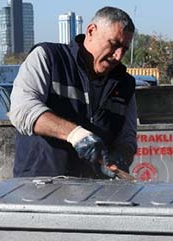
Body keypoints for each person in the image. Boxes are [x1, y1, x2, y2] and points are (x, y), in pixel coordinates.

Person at [8, 6, 137, 179]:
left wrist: (119, 159)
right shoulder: (49, 58)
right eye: (113, 44)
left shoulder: (125, 84)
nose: (118, 56)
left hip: (95, 194)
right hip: (39, 189)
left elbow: (127, 138)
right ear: (91, 31)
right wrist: (76, 134)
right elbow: (22, 110)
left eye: (124, 49)